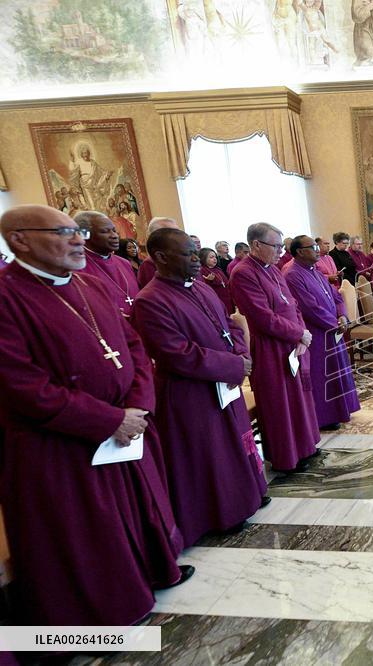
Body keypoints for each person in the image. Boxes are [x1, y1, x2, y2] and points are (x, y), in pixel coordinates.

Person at [0, 204, 191, 626]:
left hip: (126, 426)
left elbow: (134, 346)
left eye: (76, 231)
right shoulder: (6, 296)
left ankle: (150, 574)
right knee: (88, 533)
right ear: (19, 239)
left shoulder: (91, 285)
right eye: (62, 232)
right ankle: (106, 614)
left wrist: (138, 405)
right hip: (60, 446)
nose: (78, 240)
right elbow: (22, 387)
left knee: (136, 511)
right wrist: (109, 420)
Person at [132, 229, 267, 547]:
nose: (197, 260)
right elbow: (176, 354)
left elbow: (230, 323)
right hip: (191, 394)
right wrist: (234, 365)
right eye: (188, 254)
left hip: (226, 383)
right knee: (211, 454)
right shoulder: (150, 301)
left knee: (236, 442)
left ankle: (248, 495)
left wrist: (241, 354)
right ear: (161, 258)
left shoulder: (202, 288)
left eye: (196, 252)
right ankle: (220, 514)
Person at [229, 223, 320, 473]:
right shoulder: (243, 273)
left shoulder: (274, 269)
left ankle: (306, 446)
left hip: (293, 344)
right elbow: (262, 317)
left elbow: (293, 304)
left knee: (300, 399)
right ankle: (287, 456)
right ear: (256, 245)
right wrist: (299, 333)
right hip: (271, 349)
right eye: (277, 246)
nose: (282, 251)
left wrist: (302, 334)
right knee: (280, 405)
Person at [284, 235, 361, 430]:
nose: (318, 249)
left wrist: (343, 316)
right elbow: (309, 308)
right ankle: (326, 416)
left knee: (338, 370)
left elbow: (336, 296)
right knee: (324, 375)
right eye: (313, 246)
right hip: (317, 334)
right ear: (300, 251)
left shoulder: (315, 271)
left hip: (333, 329)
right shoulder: (292, 274)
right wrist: (335, 323)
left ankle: (342, 409)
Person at [76, 210, 141, 319]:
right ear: (85, 235)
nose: (115, 236)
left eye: (114, 231)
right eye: (105, 231)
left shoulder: (124, 263)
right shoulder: (77, 267)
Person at [138, 217, 181, 287]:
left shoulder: (182, 257)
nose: (180, 236)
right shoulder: (149, 264)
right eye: (173, 233)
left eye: (179, 232)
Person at [198, 247, 235, 314]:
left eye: (215, 257)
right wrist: (208, 281)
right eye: (211, 257)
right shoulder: (201, 270)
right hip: (218, 301)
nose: (215, 259)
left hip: (228, 299)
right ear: (203, 258)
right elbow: (202, 288)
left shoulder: (218, 269)